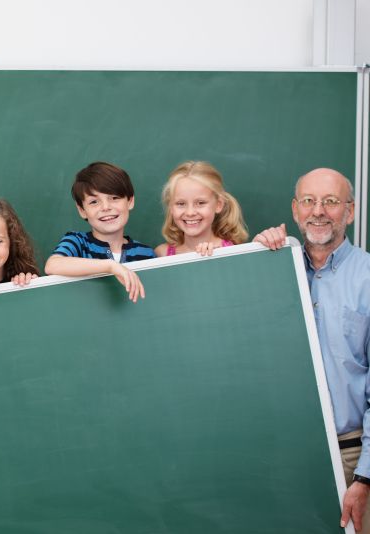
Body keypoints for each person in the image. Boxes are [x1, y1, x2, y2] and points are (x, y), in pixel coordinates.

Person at [254, 168, 370, 533]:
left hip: (352, 456)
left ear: (349, 212)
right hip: (281, 454)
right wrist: (252, 256)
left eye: (331, 202)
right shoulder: (270, 269)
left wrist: (365, 477)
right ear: (295, 209)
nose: (318, 211)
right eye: (309, 201)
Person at [44, 161, 151, 302]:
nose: (106, 207)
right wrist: (110, 267)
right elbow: (53, 265)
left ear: (130, 201)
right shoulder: (77, 242)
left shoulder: (146, 253)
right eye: (94, 202)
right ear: (82, 210)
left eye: (114, 198)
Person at [154, 161, 248, 257]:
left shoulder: (232, 251)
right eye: (181, 203)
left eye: (201, 203)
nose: (190, 212)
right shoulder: (162, 254)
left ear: (218, 205)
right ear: (171, 208)